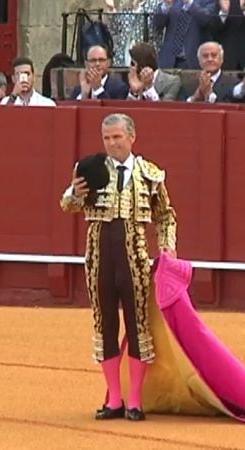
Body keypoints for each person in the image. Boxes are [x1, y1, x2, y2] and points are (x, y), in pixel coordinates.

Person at [60, 113, 177, 421]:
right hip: (98, 258)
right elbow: (68, 206)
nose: (112, 143)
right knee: (105, 324)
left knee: (139, 326)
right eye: (107, 138)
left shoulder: (151, 174)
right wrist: (74, 193)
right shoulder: (90, 170)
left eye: (117, 137)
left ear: (131, 137)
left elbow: (165, 216)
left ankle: (135, 400)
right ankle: (114, 399)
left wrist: (168, 246)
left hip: (136, 260)